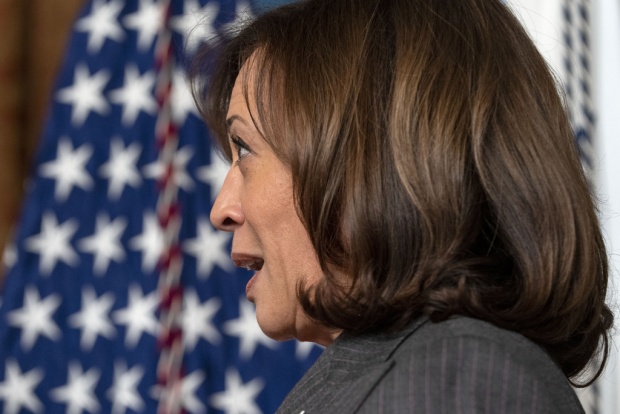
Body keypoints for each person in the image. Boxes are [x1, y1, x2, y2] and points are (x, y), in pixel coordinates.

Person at [191, 0, 614, 412]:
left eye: (244, 150)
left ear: (372, 164)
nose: (222, 210)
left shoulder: (456, 379)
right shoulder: (406, 374)